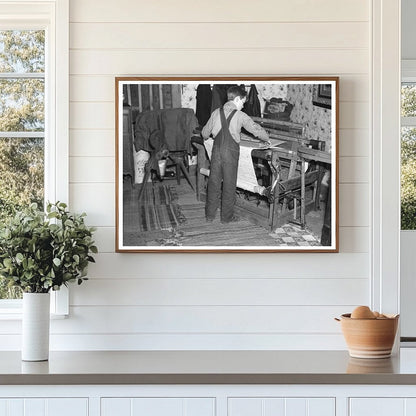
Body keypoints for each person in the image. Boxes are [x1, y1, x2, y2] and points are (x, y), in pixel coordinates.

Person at [202, 86, 269, 223]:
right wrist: (267, 138)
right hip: (230, 152)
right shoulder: (240, 115)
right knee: (229, 184)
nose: (243, 105)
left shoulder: (216, 113)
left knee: (214, 183)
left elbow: (204, 133)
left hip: (216, 151)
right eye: (243, 102)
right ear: (237, 99)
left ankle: (209, 216)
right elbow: (256, 129)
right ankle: (226, 218)